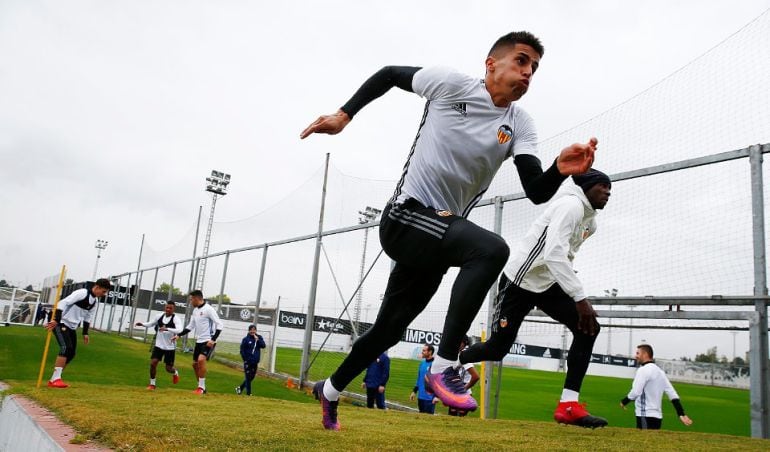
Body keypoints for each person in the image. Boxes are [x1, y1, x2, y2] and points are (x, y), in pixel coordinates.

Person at [302, 30, 597, 430]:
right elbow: (389, 73)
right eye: (522, 61)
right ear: (491, 63)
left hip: (438, 237)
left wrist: (559, 170)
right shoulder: (450, 83)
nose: (528, 73)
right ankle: (444, 366)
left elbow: (536, 191)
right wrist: (344, 114)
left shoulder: (520, 124)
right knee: (491, 249)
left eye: (535, 69)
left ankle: (330, 391)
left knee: (388, 330)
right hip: (407, 216)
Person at [460, 169, 612, 428]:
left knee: (588, 329)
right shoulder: (570, 207)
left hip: (547, 283)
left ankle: (568, 405)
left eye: (610, 189)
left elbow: (565, 255)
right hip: (520, 281)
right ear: (586, 188)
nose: (608, 193)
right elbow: (553, 253)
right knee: (497, 348)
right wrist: (579, 297)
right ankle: (454, 361)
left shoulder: (591, 222)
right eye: (602, 187)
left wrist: (570, 290)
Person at [45, 279, 112, 388]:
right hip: (60, 321)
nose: (104, 294)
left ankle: (54, 379)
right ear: (97, 287)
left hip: (71, 326)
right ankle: (55, 380)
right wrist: (56, 319)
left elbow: (88, 317)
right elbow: (62, 303)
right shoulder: (82, 293)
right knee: (65, 348)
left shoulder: (95, 302)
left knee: (71, 353)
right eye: (104, 291)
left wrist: (85, 333)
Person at [621, 344, 693, 430]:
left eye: (637, 353)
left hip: (645, 415)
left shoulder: (643, 370)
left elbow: (636, 391)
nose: (635, 356)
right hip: (657, 418)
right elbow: (672, 394)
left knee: (644, 442)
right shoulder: (660, 372)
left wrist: (624, 401)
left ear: (645, 354)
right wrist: (681, 413)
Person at [172, 290, 223, 395]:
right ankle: (201, 387)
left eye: (191, 299)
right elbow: (190, 326)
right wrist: (179, 335)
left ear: (197, 298)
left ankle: (201, 388)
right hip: (199, 341)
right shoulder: (195, 311)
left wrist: (213, 339)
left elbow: (220, 324)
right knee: (195, 364)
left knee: (200, 360)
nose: (190, 301)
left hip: (208, 340)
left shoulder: (209, 309)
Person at [135, 300, 182, 390]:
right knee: (153, 364)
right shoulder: (159, 316)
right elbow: (151, 323)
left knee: (168, 369)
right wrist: (142, 324)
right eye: (167, 307)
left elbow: (180, 330)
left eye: (170, 308)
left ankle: (175, 372)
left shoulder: (176, 318)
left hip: (170, 347)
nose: (168, 309)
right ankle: (152, 384)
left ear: (173, 309)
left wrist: (167, 329)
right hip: (159, 346)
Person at [448, 336, 480, 417]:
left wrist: (464, 388)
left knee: (456, 419)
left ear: (464, 344)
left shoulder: (464, 356)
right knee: (452, 419)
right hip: (456, 391)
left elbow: (476, 376)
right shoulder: (457, 355)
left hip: (463, 393)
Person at [236, 324, 266, 396]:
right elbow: (242, 350)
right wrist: (245, 359)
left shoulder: (259, 337)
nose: (253, 331)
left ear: (256, 330)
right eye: (251, 330)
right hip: (248, 362)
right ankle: (249, 393)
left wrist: (257, 340)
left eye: (254, 330)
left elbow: (263, 346)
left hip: (255, 362)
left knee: (251, 377)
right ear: (249, 331)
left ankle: (240, 388)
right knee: (248, 377)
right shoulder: (246, 339)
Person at [409, 344, 438, 414]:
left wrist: (437, 396)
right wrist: (414, 392)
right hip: (421, 397)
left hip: (430, 399)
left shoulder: (435, 365)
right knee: (421, 417)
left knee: (428, 420)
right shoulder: (422, 363)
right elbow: (419, 379)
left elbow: (438, 382)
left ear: (430, 352)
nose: (422, 352)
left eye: (424, 351)